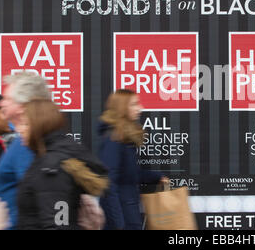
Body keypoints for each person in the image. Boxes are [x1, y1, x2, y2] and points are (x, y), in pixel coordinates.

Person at [16, 99, 109, 230]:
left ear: (39, 126)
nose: (19, 129)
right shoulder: (48, 159)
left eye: (25, 124)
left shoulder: (52, 168)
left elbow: (59, 225)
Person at [99, 89, 169, 230]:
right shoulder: (114, 139)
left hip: (128, 215)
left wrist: (157, 177)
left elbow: (130, 175)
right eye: (134, 104)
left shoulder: (123, 138)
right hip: (122, 219)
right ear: (122, 108)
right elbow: (109, 185)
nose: (140, 108)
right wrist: (119, 224)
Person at [0, 73, 51, 229]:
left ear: (22, 105)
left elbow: (36, 197)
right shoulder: (27, 140)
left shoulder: (27, 143)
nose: (1, 103)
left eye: (7, 99)